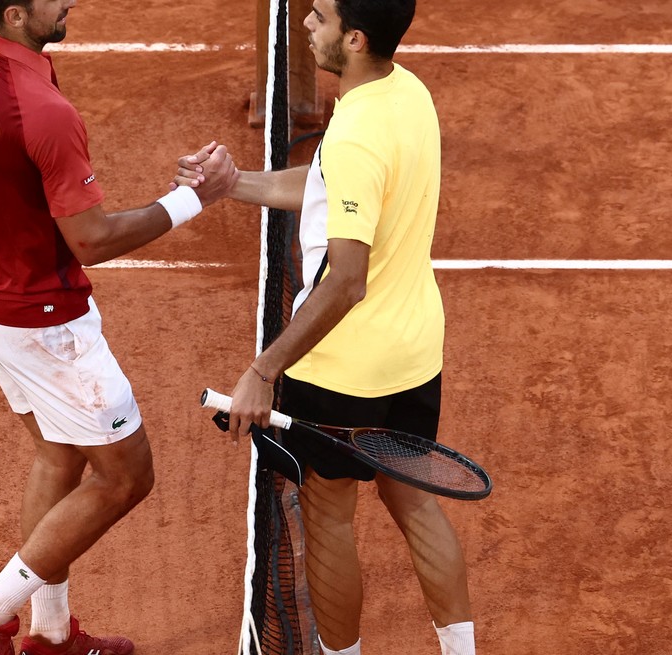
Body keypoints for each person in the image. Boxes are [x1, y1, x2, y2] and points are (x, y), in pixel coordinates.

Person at [0, 0, 238, 653]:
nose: (69, 0)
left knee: (59, 454)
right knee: (126, 476)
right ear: (18, 12)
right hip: (46, 328)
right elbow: (93, 239)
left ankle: (48, 634)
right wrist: (195, 196)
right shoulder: (47, 113)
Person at [173, 0, 476, 653]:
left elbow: (346, 278)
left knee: (328, 514)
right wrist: (236, 184)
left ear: (356, 38)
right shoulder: (409, 93)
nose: (306, 25)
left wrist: (262, 369)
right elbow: (330, 184)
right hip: (414, 354)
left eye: (320, 18)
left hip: (343, 373)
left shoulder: (357, 130)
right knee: (415, 501)